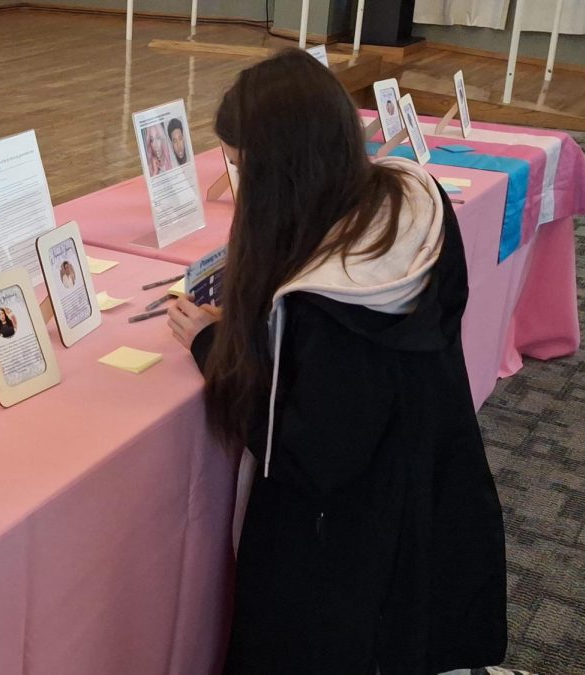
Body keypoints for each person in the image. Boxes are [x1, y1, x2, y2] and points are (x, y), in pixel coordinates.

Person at [166, 50, 507, 674]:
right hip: (434, 489)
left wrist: (211, 348)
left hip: (346, 555)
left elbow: (304, 453)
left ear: (281, 175)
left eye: (244, 170)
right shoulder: (415, 202)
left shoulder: (329, 304)